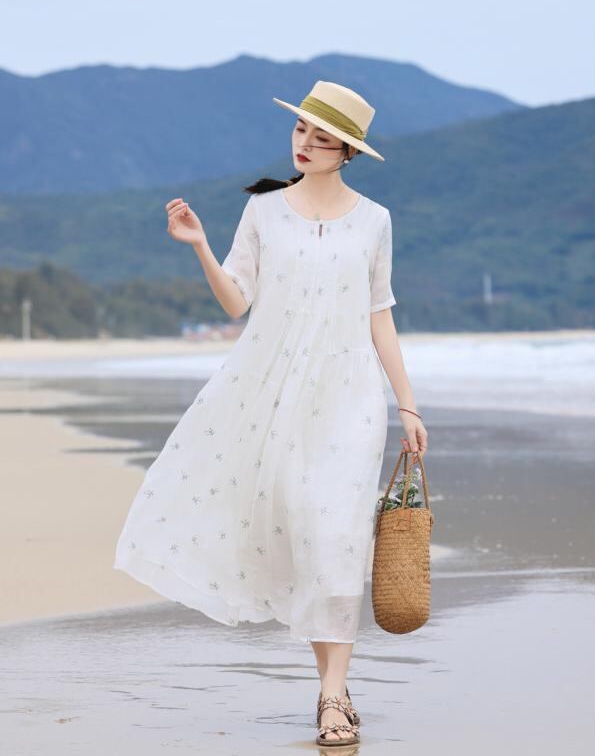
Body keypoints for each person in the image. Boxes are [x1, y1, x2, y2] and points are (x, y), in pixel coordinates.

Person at [113, 80, 428, 745]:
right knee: (308, 537)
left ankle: (333, 695)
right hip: (275, 394)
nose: (305, 144)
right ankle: (333, 686)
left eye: (322, 137)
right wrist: (200, 245)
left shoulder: (375, 220)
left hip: (350, 397)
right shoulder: (263, 211)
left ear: (348, 151)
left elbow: (380, 315)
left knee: (338, 539)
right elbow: (237, 301)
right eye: (301, 130)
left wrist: (407, 403)